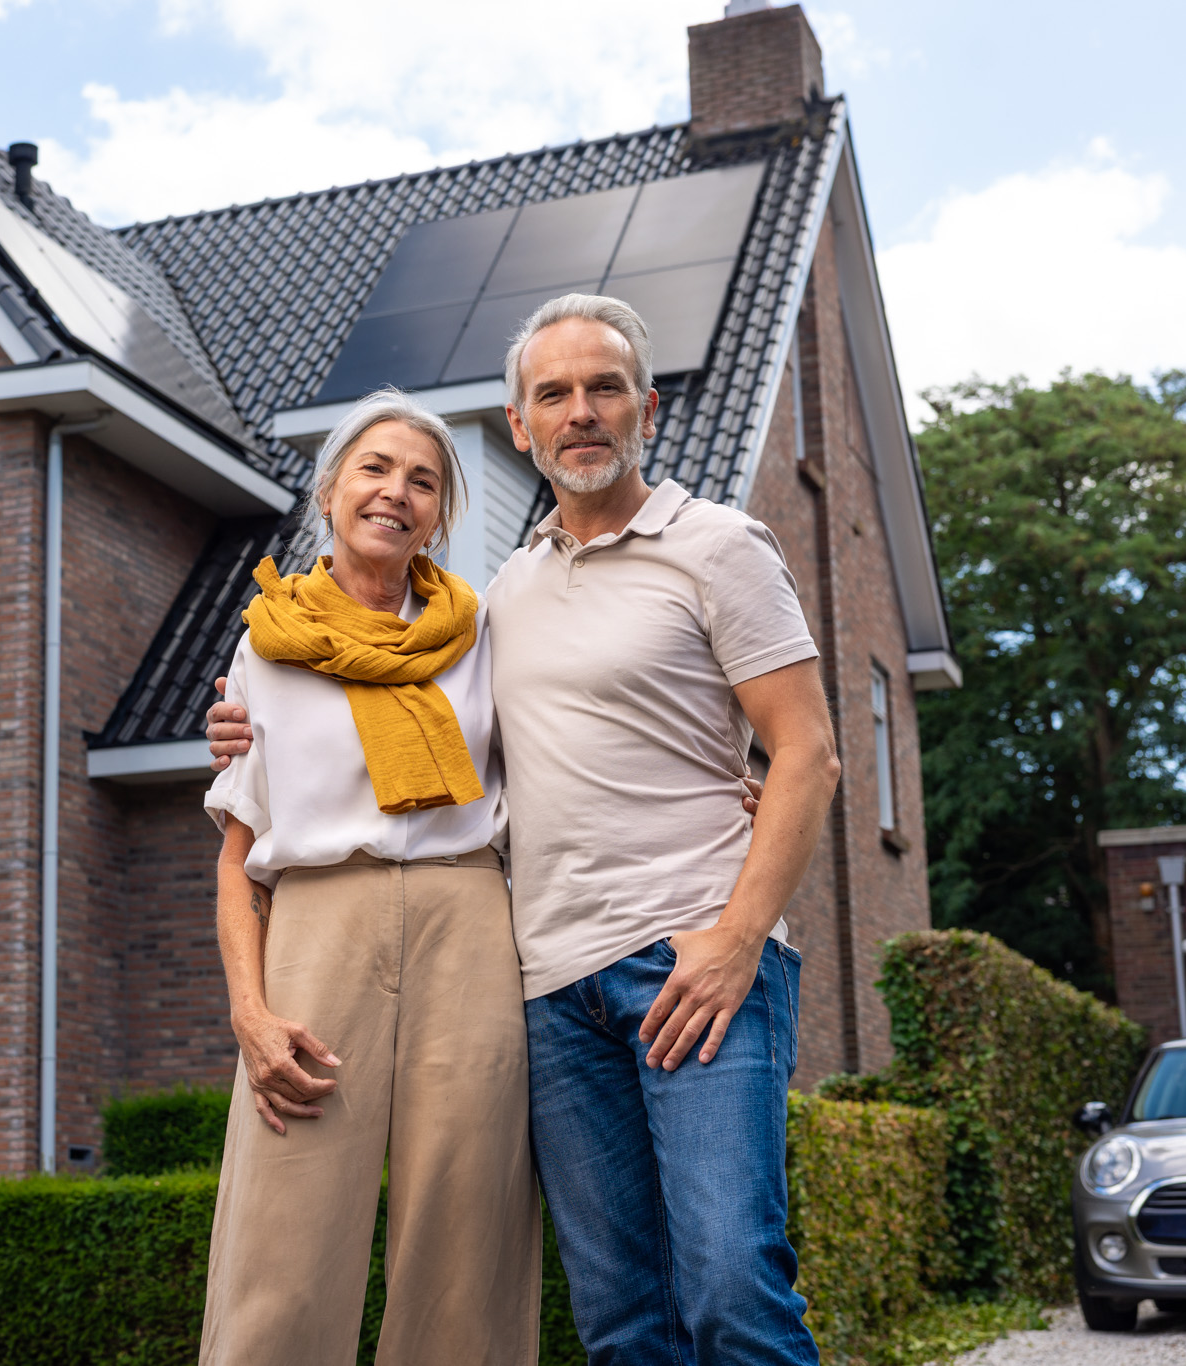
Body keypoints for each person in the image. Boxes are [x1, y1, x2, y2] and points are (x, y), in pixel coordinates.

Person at [210, 294, 840, 1365]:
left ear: (646, 408)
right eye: (554, 393)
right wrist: (235, 735)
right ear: (520, 424)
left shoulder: (670, 559)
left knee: (725, 1282)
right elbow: (269, 815)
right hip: (548, 975)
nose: (580, 412)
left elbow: (804, 750)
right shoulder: (477, 604)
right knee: (619, 1315)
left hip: (655, 951)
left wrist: (741, 912)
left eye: (603, 389)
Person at [197, 389, 539, 1366]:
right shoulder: (266, 646)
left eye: (423, 480)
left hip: (468, 925)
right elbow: (237, 855)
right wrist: (248, 1012)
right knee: (284, 1222)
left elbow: (570, 737)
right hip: (316, 923)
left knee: (468, 1222)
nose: (396, 491)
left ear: (440, 514)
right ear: (328, 491)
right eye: (375, 468)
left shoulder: (481, 636)